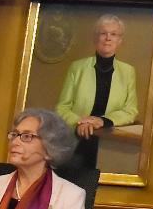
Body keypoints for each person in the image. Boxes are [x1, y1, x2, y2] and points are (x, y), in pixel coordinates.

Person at [55, 14, 139, 169]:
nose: (108, 38)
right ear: (95, 38)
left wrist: (102, 121)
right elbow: (62, 108)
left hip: (110, 143)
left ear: (120, 40)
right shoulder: (77, 67)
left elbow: (131, 110)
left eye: (113, 34)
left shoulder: (128, 72)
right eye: (103, 33)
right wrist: (80, 122)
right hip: (77, 138)